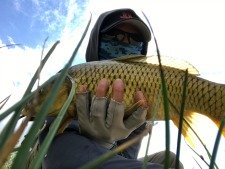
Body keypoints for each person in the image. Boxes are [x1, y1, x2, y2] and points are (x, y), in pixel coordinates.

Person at [37, 8, 184, 169]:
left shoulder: (139, 101)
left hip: (113, 158)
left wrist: (109, 144)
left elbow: (126, 157)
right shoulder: (76, 80)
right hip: (65, 156)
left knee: (169, 159)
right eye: (115, 35)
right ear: (97, 42)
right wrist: (98, 142)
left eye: (135, 40)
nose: (126, 43)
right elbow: (55, 156)